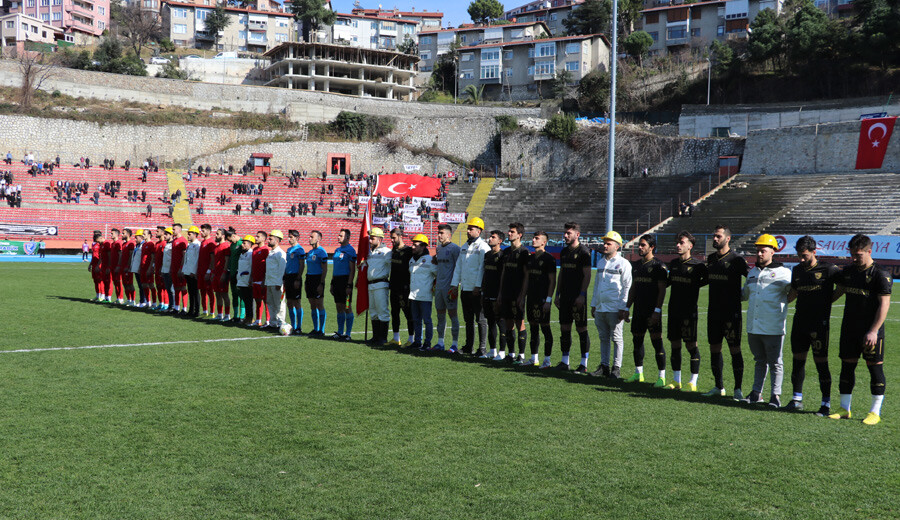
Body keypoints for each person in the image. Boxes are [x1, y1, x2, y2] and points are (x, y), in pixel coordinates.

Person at [829, 234, 891, 425]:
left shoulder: (880, 274)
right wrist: (819, 304)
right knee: (847, 366)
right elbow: (837, 292)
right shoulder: (849, 272)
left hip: (871, 331)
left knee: (874, 368)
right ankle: (844, 408)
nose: (854, 259)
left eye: (858, 255)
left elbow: (884, 306)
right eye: (852, 255)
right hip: (849, 328)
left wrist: (873, 331)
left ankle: (874, 412)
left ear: (869, 252)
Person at [785, 235, 840, 414]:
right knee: (798, 361)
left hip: (819, 325)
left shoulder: (829, 269)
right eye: (799, 256)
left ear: (814, 252)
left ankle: (825, 404)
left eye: (805, 256)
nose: (801, 259)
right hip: (800, 322)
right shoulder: (798, 271)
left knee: (821, 362)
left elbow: (844, 285)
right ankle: (796, 399)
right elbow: (793, 293)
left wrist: (829, 300)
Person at [741, 234, 793, 408]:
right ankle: (756, 393)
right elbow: (744, 295)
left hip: (773, 326)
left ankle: (775, 396)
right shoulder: (753, 272)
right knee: (759, 361)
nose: (760, 254)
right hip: (753, 325)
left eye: (763, 250)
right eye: (758, 251)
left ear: (773, 251)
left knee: (776, 362)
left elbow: (793, 292)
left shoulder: (784, 273)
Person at [704, 225, 750, 399]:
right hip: (713, 312)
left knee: (734, 349)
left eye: (718, 236)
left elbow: (751, 278)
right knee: (714, 348)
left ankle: (737, 389)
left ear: (728, 238)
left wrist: (744, 294)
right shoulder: (711, 259)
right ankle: (718, 386)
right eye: (714, 236)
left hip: (732, 314)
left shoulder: (737, 259)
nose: (715, 239)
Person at [623, 234, 668, 385]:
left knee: (656, 342)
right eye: (639, 245)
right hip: (638, 310)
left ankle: (661, 376)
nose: (640, 248)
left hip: (652, 311)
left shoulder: (659, 267)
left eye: (643, 245)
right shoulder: (636, 266)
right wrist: (626, 307)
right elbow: (633, 289)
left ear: (652, 247)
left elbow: (662, 290)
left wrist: (657, 310)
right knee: (637, 340)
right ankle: (638, 373)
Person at [589, 231, 632, 379]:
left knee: (617, 338)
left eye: (609, 243)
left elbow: (627, 286)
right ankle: (604, 366)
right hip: (601, 307)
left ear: (618, 246)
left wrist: (623, 307)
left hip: (615, 308)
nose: (605, 246)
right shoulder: (601, 262)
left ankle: (616, 368)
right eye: (604, 243)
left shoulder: (624, 263)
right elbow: (596, 285)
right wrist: (594, 304)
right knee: (603, 338)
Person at [552, 222, 592, 372]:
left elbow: (587, 275)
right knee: (564, 328)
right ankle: (564, 361)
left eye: (569, 233)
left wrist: (582, 295)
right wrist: (557, 294)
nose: (565, 235)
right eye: (565, 233)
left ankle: (584, 364)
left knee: (581, 328)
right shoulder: (564, 252)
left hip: (578, 297)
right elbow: (561, 273)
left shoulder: (583, 252)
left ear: (577, 234)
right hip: (565, 297)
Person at [451, 217, 490, 357]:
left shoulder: (484, 247)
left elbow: (482, 268)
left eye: (471, 229)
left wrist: (478, 286)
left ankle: (482, 348)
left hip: (476, 290)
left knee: (480, 319)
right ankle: (469, 346)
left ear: (479, 231)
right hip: (465, 288)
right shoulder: (464, 246)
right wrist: (455, 284)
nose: (468, 231)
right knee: (468, 319)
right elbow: (458, 267)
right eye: (468, 228)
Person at [496, 222, 529, 363]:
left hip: (518, 294)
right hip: (506, 293)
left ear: (519, 235)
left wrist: (522, 295)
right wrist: (500, 294)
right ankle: (511, 354)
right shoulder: (506, 252)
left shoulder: (524, 252)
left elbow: (527, 275)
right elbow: (503, 273)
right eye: (509, 231)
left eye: (512, 232)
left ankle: (521, 355)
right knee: (508, 323)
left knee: (520, 322)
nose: (509, 233)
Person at [523, 231, 556, 367]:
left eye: (537, 238)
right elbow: (526, 279)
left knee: (545, 328)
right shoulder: (530, 259)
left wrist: (548, 300)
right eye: (533, 237)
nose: (533, 240)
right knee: (533, 327)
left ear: (544, 242)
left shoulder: (549, 259)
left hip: (542, 299)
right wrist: (522, 296)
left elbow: (552, 281)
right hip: (531, 297)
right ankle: (534, 358)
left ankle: (547, 360)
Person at [432, 224, 461, 352]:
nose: (439, 235)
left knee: (453, 314)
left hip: (450, 288)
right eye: (438, 233)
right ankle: (440, 342)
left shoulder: (455, 249)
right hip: (439, 287)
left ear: (449, 235)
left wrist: (455, 285)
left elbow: (458, 268)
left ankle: (454, 344)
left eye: (441, 233)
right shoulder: (438, 249)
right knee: (440, 315)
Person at [481, 230, 506, 360]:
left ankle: (502, 352)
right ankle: (492, 350)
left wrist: (500, 295)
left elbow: (503, 277)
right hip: (487, 293)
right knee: (490, 321)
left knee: (500, 322)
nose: (490, 239)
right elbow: (485, 274)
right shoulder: (487, 255)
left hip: (497, 294)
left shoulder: (503, 256)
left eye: (493, 237)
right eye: (490, 237)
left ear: (500, 240)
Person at [409, 234, 437, 350]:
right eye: (413, 244)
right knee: (416, 320)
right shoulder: (411, 259)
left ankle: (427, 343)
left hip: (425, 295)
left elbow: (437, 275)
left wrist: (433, 287)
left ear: (423, 246)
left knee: (427, 320)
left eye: (415, 245)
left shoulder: (430, 260)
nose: (413, 247)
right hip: (413, 296)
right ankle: (417, 341)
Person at [365, 227, 393, 346]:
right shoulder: (370, 252)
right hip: (370, 284)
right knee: (373, 312)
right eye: (370, 238)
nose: (370, 241)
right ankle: (375, 337)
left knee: (382, 311)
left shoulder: (387, 252)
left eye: (372, 238)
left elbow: (393, 266)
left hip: (381, 284)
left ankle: (383, 338)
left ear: (380, 239)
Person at [388, 228, 414, 346]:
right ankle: (396, 338)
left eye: (394, 238)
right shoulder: (393, 250)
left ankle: (411, 339)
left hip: (404, 288)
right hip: (393, 286)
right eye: (391, 238)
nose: (392, 240)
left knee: (408, 313)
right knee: (394, 313)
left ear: (400, 236)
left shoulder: (409, 251)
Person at [330, 229, 357, 341]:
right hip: (336, 281)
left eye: (340, 235)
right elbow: (335, 268)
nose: (338, 237)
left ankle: (348, 334)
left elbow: (352, 270)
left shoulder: (350, 251)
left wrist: (349, 285)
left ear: (347, 237)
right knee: (338, 306)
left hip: (345, 282)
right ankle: (340, 332)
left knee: (347, 306)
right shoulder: (337, 250)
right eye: (338, 235)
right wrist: (332, 283)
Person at [305, 230, 328, 336]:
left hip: (317, 280)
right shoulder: (310, 252)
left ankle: (321, 330)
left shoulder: (322, 252)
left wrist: (321, 283)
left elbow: (325, 269)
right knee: (312, 305)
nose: (309, 238)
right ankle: (315, 328)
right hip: (309, 279)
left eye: (311, 236)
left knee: (320, 304)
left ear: (318, 239)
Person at [283, 230, 306, 333]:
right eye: (289, 237)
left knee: (297, 302)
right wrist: (284, 276)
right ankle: (293, 325)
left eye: (291, 237)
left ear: (297, 238)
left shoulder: (300, 250)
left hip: (295, 277)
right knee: (289, 302)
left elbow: (302, 265)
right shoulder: (289, 250)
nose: (289, 239)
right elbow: (287, 264)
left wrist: (298, 278)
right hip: (288, 277)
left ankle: (299, 327)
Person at [264, 230, 288, 329]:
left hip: (277, 283)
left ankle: (281, 323)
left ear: (277, 240)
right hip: (269, 282)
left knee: (279, 304)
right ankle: (273, 323)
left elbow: (282, 269)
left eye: (271, 239)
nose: (268, 240)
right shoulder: (270, 253)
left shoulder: (280, 253)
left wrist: (279, 282)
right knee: (270, 303)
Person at [211, 228, 233, 321]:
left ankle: (227, 315)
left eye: (218, 234)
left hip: (222, 274)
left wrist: (224, 273)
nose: (216, 235)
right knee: (218, 294)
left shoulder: (226, 246)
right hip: (216, 274)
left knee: (224, 294)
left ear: (223, 236)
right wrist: (212, 272)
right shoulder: (216, 247)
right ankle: (219, 314)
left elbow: (227, 261)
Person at [181, 226, 202, 317]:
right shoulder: (189, 245)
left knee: (195, 292)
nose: (188, 236)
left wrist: (194, 271)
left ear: (195, 235)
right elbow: (186, 259)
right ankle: (191, 310)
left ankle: (196, 311)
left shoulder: (198, 245)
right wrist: (184, 270)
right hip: (187, 272)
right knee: (190, 291)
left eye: (189, 234)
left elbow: (197, 259)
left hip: (193, 272)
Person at [250, 230, 270, 326]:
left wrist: (264, 279)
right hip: (255, 279)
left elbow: (267, 266)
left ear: (263, 238)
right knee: (257, 300)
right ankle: (258, 320)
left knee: (266, 301)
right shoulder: (254, 249)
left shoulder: (266, 250)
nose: (256, 238)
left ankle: (268, 321)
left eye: (258, 236)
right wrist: (251, 277)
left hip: (263, 280)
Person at [196, 224, 217, 318]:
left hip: (207, 272)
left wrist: (209, 271)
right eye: (201, 230)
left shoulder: (211, 243)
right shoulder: (203, 242)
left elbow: (213, 259)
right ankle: (205, 311)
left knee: (210, 292)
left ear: (209, 231)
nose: (201, 232)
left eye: (203, 230)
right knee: (202, 291)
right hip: (201, 272)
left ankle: (212, 313)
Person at [236, 235, 255, 326]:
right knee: (245, 300)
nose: (242, 245)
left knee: (249, 301)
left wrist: (250, 280)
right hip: (241, 281)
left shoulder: (251, 254)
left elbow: (251, 268)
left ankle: (251, 318)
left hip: (248, 282)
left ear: (250, 244)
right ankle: (247, 317)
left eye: (244, 243)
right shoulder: (242, 254)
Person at [170, 223, 188, 314]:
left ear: (179, 230)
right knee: (176, 288)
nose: (172, 231)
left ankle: (184, 309)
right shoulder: (174, 241)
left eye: (174, 229)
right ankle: (176, 307)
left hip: (180, 269)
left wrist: (181, 268)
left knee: (183, 287)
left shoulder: (183, 241)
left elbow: (184, 256)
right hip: (173, 268)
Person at [226, 229, 244, 322]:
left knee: (241, 295)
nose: (229, 242)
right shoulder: (232, 245)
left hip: (239, 274)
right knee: (234, 294)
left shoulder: (242, 243)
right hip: (232, 273)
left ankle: (242, 316)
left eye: (229, 239)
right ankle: (235, 316)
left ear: (233, 236)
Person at [120, 229, 137, 306]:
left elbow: (131, 256)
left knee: (130, 283)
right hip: (123, 267)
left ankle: (133, 300)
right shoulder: (124, 244)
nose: (122, 235)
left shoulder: (131, 243)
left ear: (128, 234)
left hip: (128, 267)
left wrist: (128, 266)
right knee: (125, 284)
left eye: (123, 233)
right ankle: (128, 299)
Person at [160, 227, 175, 311]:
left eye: (166, 234)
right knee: (168, 289)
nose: (164, 235)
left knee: (172, 290)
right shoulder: (167, 244)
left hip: (170, 270)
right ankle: (170, 306)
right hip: (165, 270)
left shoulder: (172, 245)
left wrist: (170, 269)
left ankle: (173, 306)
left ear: (171, 235)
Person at [89, 231, 104, 301]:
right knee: (95, 280)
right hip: (94, 264)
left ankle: (102, 295)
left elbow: (101, 256)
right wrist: (90, 264)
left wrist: (99, 265)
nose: (94, 236)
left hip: (99, 264)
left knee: (100, 280)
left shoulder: (101, 245)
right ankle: (97, 295)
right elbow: (93, 255)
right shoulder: (94, 245)